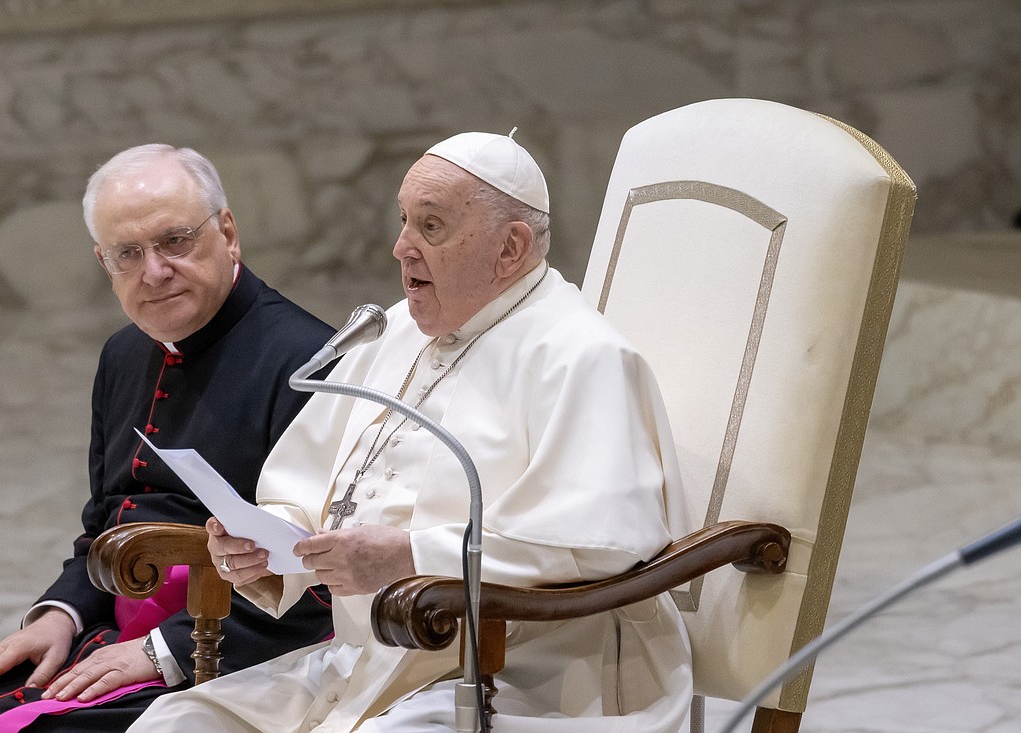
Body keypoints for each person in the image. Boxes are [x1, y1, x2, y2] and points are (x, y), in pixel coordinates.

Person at [129, 131, 693, 732]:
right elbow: (310, 485)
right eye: (404, 221)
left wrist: (412, 557)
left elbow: (596, 545)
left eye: (431, 226)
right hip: (368, 663)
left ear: (511, 248)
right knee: (175, 723)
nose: (401, 248)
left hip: (526, 674)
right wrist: (271, 543)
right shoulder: (397, 329)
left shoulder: (582, 357)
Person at [0, 144, 337, 733]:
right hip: (111, 633)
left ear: (228, 232)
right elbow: (104, 527)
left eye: (175, 241)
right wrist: (59, 614)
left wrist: (158, 651)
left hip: (232, 654)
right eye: (128, 254)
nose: (155, 271)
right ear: (102, 262)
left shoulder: (308, 363)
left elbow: (322, 580)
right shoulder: (124, 354)